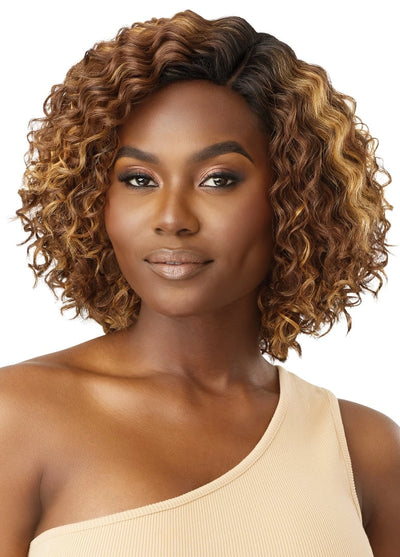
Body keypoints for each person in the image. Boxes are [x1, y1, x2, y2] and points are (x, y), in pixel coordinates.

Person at [1, 9, 398, 556]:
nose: (171, 218)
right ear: (95, 200)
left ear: (296, 199)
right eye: (138, 179)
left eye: (218, 179)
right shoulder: (17, 415)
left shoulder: (364, 450)